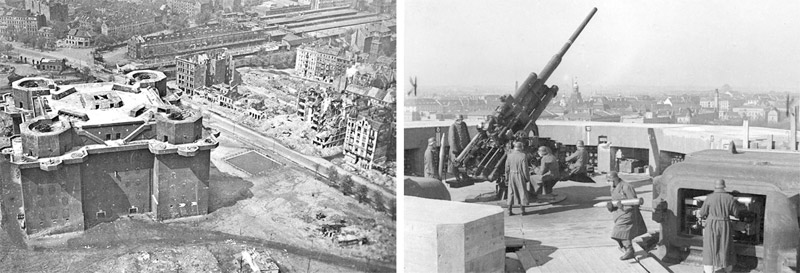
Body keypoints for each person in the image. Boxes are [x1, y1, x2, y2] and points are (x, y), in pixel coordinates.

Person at [698, 179, 741, 273]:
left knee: (710, 246)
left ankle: (709, 269)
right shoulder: (730, 198)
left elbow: (702, 212)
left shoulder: (709, 197)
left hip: (711, 224)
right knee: (725, 245)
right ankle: (727, 268)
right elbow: (736, 213)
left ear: (715, 186)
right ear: (724, 186)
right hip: (725, 224)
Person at [606, 171, 647, 260]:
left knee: (619, 232)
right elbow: (615, 201)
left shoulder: (627, 187)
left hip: (628, 214)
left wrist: (623, 206)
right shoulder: (613, 187)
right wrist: (611, 207)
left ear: (616, 178)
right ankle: (627, 249)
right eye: (608, 181)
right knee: (620, 234)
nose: (609, 182)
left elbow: (634, 202)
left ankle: (630, 250)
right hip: (619, 214)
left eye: (610, 180)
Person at [504, 141, 530, 216]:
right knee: (522, 192)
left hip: (511, 175)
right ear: (521, 148)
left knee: (511, 192)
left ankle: (509, 211)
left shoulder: (509, 155)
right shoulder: (523, 155)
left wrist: (507, 177)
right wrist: (526, 178)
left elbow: (507, 168)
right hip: (520, 175)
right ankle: (522, 211)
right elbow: (525, 169)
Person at [448, 115, 471, 182]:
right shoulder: (453, 126)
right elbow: (452, 139)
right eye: (458, 120)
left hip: (464, 148)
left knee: (464, 162)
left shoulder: (464, 125)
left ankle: (464, 175)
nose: (460, 121)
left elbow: (467, 135)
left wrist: (469, 145)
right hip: (456, 149)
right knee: (456, 163)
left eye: (461, 119)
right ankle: (457, 176)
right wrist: (454, 149)